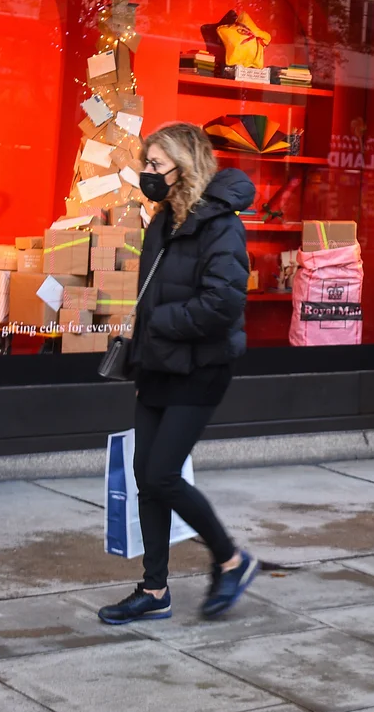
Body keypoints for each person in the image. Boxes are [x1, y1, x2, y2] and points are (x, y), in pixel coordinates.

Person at [97, 122, 258, 624]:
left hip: (202, 368)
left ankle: (232, 559)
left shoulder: (221, 226)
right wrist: (144, 347)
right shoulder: (162, 223)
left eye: (154, 165)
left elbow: (222, 304)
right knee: (147, 476)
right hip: (159, 364)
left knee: (164, 473)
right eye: (146, 163)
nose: (146, 173)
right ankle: (155, 588)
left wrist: (156, 324)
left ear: (183, 169)